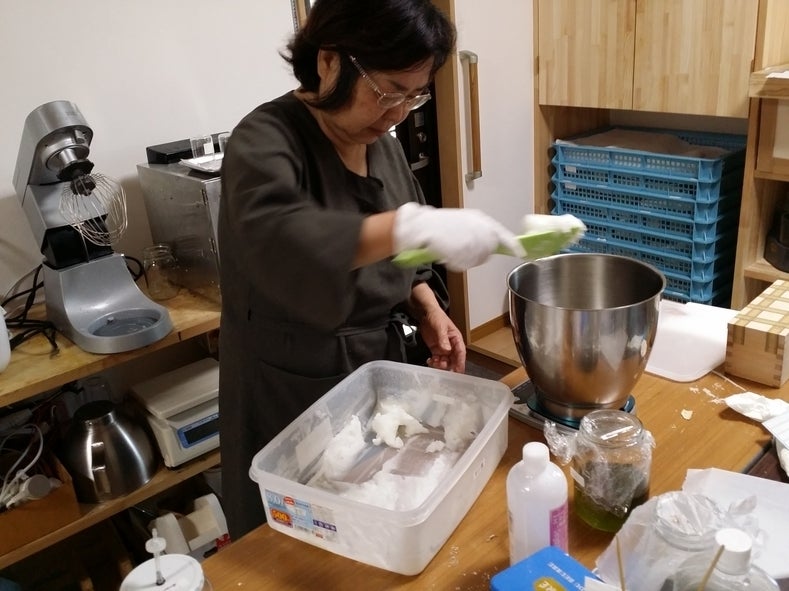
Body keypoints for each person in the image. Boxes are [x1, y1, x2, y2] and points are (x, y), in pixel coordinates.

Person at [217, 0, 523, 540]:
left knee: (378, 507)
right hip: (291, 380)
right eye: (388, 91)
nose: (398, 113)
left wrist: (426, 308)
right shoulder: (264, 140)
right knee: (301, 529)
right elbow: (288, 242)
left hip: (373, 366)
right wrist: (412, 227)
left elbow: (401, 256)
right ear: (329, 61)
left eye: (415, 95)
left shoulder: (381, 143)